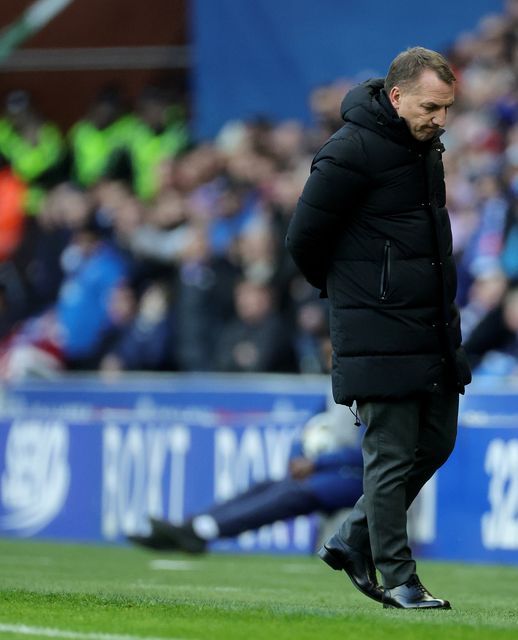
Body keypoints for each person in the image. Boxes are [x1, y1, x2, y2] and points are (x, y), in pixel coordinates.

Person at [285, 47, 471, 609]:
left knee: (436, 441)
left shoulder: (426, 151)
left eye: (446, 109)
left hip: (430, 326)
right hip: (377, 328)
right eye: (431, 107)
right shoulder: (349, 150)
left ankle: (351, 538)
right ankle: (399, 577)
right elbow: (302, 239)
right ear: (396, 97)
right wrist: (359, 293)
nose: (440, 119)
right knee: (389, 454)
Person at [127, 402, 362, 554]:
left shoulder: (367, 393)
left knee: (293, 493)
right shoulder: (334, 389)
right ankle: (192, 526)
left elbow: (368, 452)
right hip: (329, 469)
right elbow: (306, 431)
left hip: (357, 477)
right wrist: (297, 457)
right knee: (268, 486)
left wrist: (317, 463)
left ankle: (201, 530)